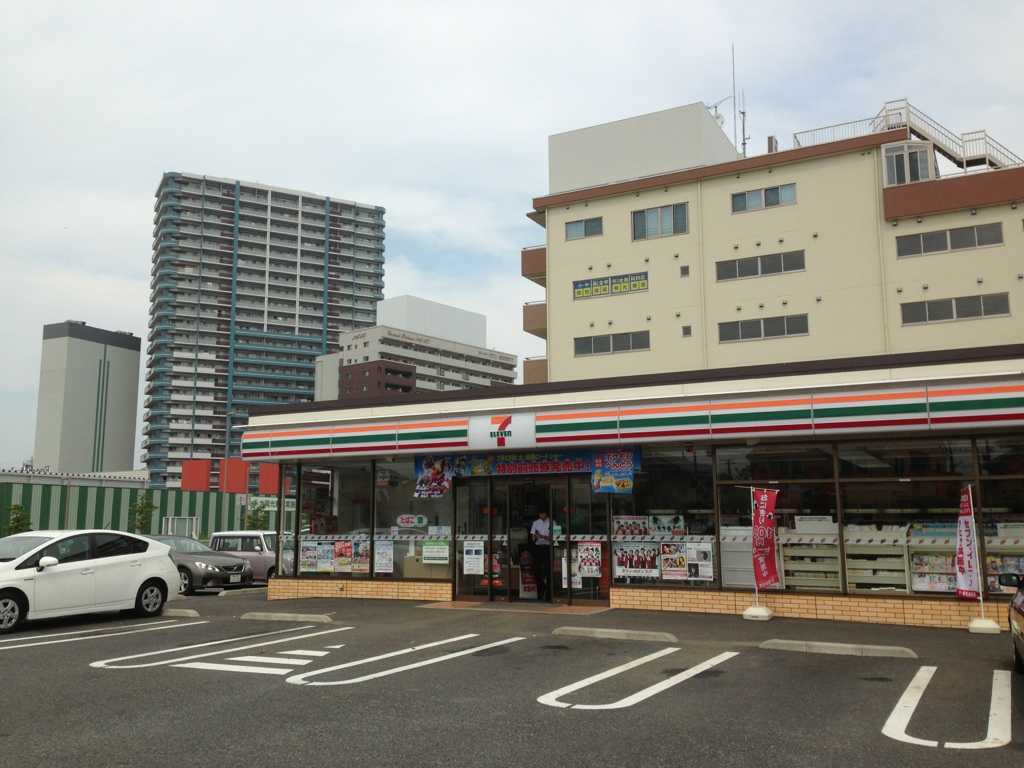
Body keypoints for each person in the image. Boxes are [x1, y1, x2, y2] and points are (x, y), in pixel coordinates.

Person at [530, 507, 552, 601]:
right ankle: (542, 585)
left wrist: (542, 536)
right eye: (540, 514)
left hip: (548, 547)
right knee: (535, 568)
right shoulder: (535, 523)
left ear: (546, 513)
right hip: (538, 547)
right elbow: (532, 538)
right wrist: (535, 537)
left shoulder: (551, 522)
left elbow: (554, 538)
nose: (541, 516)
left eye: (543, 514)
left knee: (549, 571)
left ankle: (549, 593)